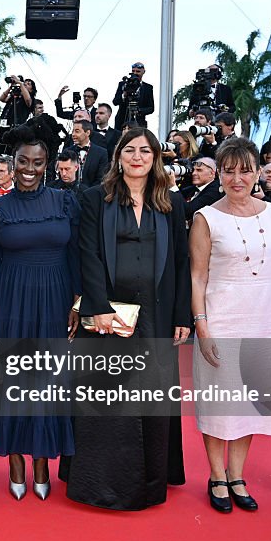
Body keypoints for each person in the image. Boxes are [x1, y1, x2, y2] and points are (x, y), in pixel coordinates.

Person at [68, 128, 191, 510]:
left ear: (156, 157)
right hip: (109, 314)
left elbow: (181, 263)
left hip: (156, 312)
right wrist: (98, 306)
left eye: (145, 151)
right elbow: (86, 255)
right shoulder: (94, 199)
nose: (137, 157)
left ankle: (150, 482)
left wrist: (181, 313)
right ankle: (99, 484)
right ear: (118, 156)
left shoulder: (171, 203)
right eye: (130, 150)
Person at [0, 136, 81, 501]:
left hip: (55, 299)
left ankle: (41, 462)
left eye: (37, 162)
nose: (30, 169)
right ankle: (15, 461)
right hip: (11, 299)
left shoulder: (65, 202)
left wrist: (77, 302)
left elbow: (77, 255)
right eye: (23, 161)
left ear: (46, 163)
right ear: (13, 162)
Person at [189, 138, 271, 514]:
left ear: (258, 172)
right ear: (219, 174)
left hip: (264, 316)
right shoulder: (206, 217)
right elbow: (197, 278)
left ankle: (238, 474)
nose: (238, 178)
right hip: (222, 316)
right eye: (229, 170)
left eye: (245, 169)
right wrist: (202, 327)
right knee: (220, 401)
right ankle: (217, 475)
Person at [111, 62, 155, 129]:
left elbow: (151, 108)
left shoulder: (148, 88)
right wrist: (124, 95)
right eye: (133, 71)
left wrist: (138, 111)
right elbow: (115, 102)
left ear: (143, 72)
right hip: (122, 120)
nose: (135, 73)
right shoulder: (123, 84)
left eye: (138, 71)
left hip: (139, 122)